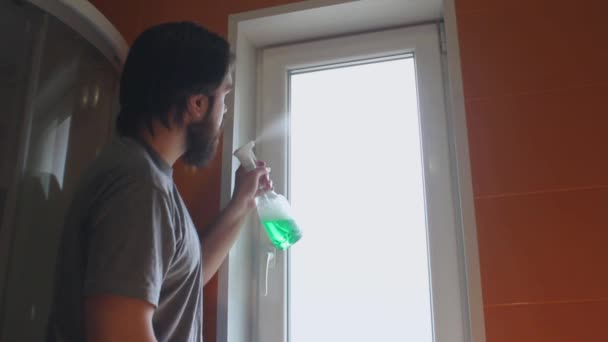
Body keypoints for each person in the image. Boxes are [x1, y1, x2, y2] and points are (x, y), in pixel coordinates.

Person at [47, 22, 270, 342]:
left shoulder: (144, 176)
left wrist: (242, 204)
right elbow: (120, 332)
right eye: (224, 97)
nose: (224, 113)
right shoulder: (139, 186)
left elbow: (181, 282)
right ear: (197, 103)